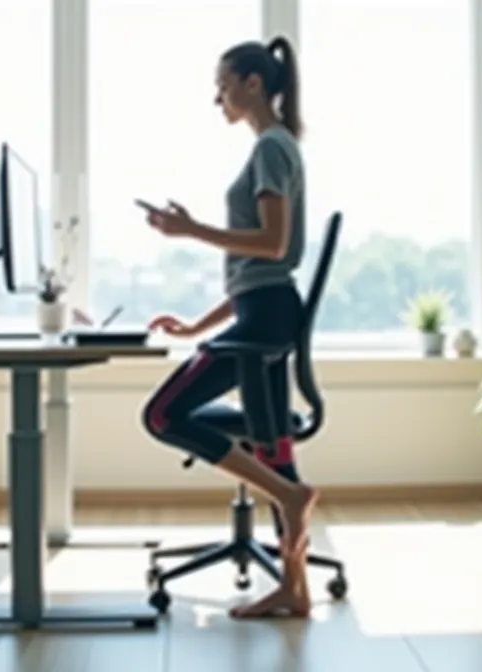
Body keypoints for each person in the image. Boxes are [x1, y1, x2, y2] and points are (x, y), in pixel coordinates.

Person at [140, 35, 317, 619]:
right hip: (263, 313)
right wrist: (197, 325)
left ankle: (288, 496)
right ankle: (295, 589)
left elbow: (271, 245)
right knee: (273, 447)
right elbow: (253, 275)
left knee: (163, 415)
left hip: (264, 320)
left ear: (253, 85)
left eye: (223, 86)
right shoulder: (278, 146)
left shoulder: (270, 149)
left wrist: (191, 231)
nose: (216, 98)